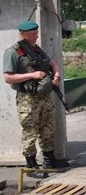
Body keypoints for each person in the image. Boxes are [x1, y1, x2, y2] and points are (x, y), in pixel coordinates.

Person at [2, 20, 69, 176]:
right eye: (33, 34)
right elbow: (7, 78)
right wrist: (32, 74)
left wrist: (57, 76)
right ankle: (31, 166)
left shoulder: (37, 49)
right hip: (28, 99)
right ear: (22, 34)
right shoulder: (12, 52)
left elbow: (53, 64)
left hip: (44, 97)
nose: (36, 36)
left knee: (48, 128)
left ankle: (49, 160)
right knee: (30, 131)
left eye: (36, 33)